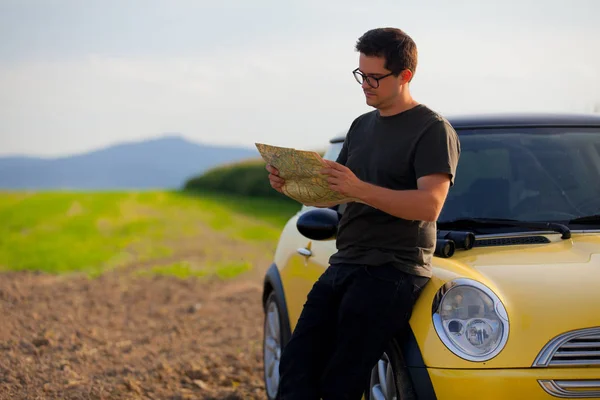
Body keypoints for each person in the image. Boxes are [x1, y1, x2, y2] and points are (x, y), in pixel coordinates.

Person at [266, 27, 461, 400]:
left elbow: (429, 205)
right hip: (345, 263)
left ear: (405, 75)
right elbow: (336, 194)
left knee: (343, 379)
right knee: (296, 365)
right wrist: (291, 186)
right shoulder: (361, 125)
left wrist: (359, 189)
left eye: (374, 77)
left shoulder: (432, 130)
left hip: (392, 270)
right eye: (361, 75)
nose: (365, 85)